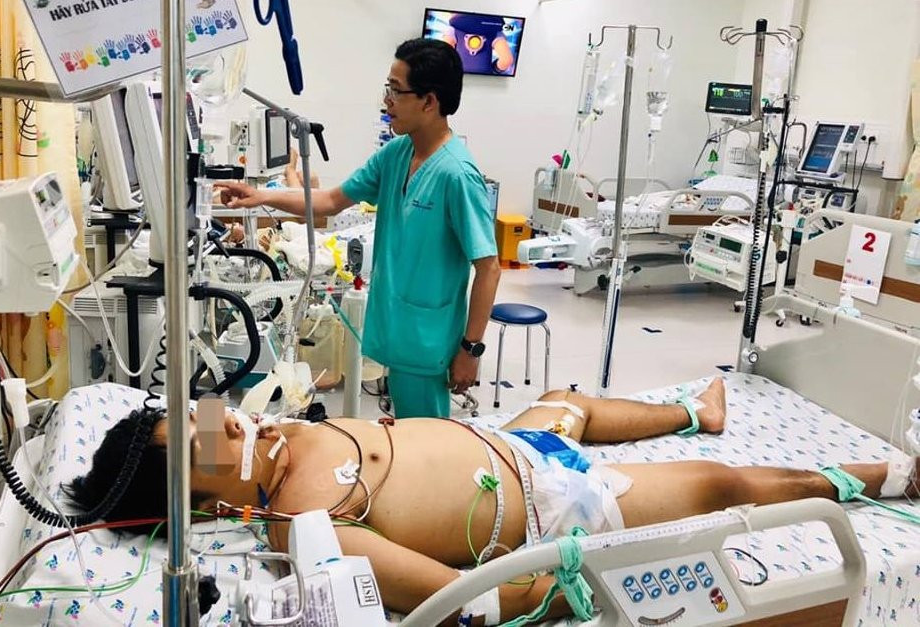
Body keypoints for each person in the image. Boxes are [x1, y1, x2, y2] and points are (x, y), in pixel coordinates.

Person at [68, 378, 918, 626]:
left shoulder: (285, 435)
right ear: (208, 509)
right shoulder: (308, 525)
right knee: (719, 484)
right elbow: (470, 593)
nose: (224, 420)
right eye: (202, 441)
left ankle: (698, 406)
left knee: (567, 401)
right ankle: (885, 478)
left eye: (203, 413)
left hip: (512, 445)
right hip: (558, 508)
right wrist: (575, 584)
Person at [215, 38, 501, 419]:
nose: (386, 101)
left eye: (396, 91)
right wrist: (259, 196)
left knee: (426, 441)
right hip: (399, 330)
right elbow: (331, 200)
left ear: (429, 102)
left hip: (427, 341)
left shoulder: (457, 175)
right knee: (404, 435)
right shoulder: (397, 154)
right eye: (387, 88)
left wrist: (471, 349)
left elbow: (489, 268)